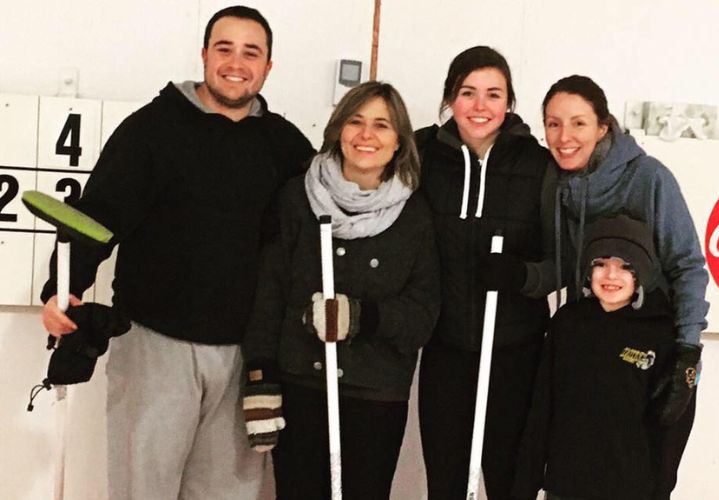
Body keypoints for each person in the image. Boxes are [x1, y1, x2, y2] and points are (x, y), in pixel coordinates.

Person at [39, 6, 314, 499]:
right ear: (204, 55)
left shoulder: (286, 146)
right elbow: (100, 216)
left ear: (268, 66)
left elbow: (313, 232)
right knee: (142, 488)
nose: (236, 62)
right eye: (224, 48)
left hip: (242, 354)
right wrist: (63, 290)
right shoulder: (151, 130)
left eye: (251, 52)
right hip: (153, 343)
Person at [243, 81, 440, 500]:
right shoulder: (298, 197)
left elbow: (422, 315)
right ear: (338, 129)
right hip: (302, 387)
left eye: (381, 125)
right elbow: (270, 293)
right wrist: (260, 377)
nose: (366, 135)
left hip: (375, 394)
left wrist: (361, 318)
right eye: (356, 121)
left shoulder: (416, 214)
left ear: (398, 141)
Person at [523, 75, 709, 499]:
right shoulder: (556, 183)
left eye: (578, 123)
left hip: (651, 343)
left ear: (604, 126)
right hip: (588, 338)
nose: (564, 137)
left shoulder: (649, 179)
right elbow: (565, 265)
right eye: (553, 124)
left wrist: (687, 352)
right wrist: (524, 278)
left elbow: (688, 266)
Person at [415, 46, 551, 499]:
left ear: (509, 102)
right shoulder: (422, 156)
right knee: (447, 479)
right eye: (468, 92)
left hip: (515, 351)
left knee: (510, 480)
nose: (480, 106)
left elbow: (563, 263)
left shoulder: (539, 165)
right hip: (445, 348)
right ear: (450, 98)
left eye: (493, 94)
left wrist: (520, 277)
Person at [512, 214, 679, 500]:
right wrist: (525, 484)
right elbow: (542, 405)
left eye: (625, 266)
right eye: (601, 264)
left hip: (630, 488)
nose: (611, 276)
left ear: (641, 273)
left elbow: (672, 427)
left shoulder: (661, 334)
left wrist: (661, 490)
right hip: (566, 484)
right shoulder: (567, 323)